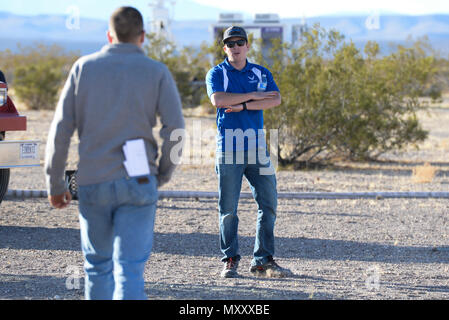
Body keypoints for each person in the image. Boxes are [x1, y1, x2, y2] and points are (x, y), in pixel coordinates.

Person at [44, 6, 185, 299]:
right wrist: (162, 174)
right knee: (130, 268)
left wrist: (56, 183)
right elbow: (176, 129)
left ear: (109, 35)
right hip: (139, 180)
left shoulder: (83, 68)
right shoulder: (157, 72)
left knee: (97, 266)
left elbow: (60, 130)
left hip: (94, 179)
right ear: (142, 36)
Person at [205, 26, 291, 278]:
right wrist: (254, 96)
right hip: (229, 147)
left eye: (239, 42)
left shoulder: (261, 72)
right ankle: (230, 259)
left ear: (247, 45)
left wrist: (242, 104)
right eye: (230, 43)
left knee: (268, 204)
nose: (235, 47)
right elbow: (218, 100)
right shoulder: (217, 72)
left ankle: (263, 260)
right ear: (224, 48)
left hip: (257, 147)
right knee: (228, 209)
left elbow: (275, 99)